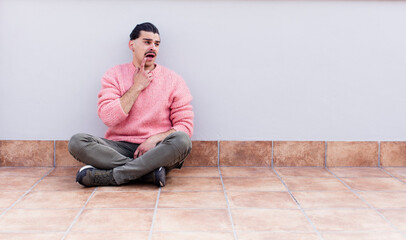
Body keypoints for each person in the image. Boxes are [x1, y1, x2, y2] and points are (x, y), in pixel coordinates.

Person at [68, 22, 193, 187]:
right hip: (118, 147)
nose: (153, 48)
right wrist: (137, 87)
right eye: (147, 42)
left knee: (182, 141)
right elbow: (108, 117)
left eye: (156, 44)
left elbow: (185, 126)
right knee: (77, 142)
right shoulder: (114, 75)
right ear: (132, 45)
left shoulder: (174, 80)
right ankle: (147, 173)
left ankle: (112, 176)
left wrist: (154, 139)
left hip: (157, 148)